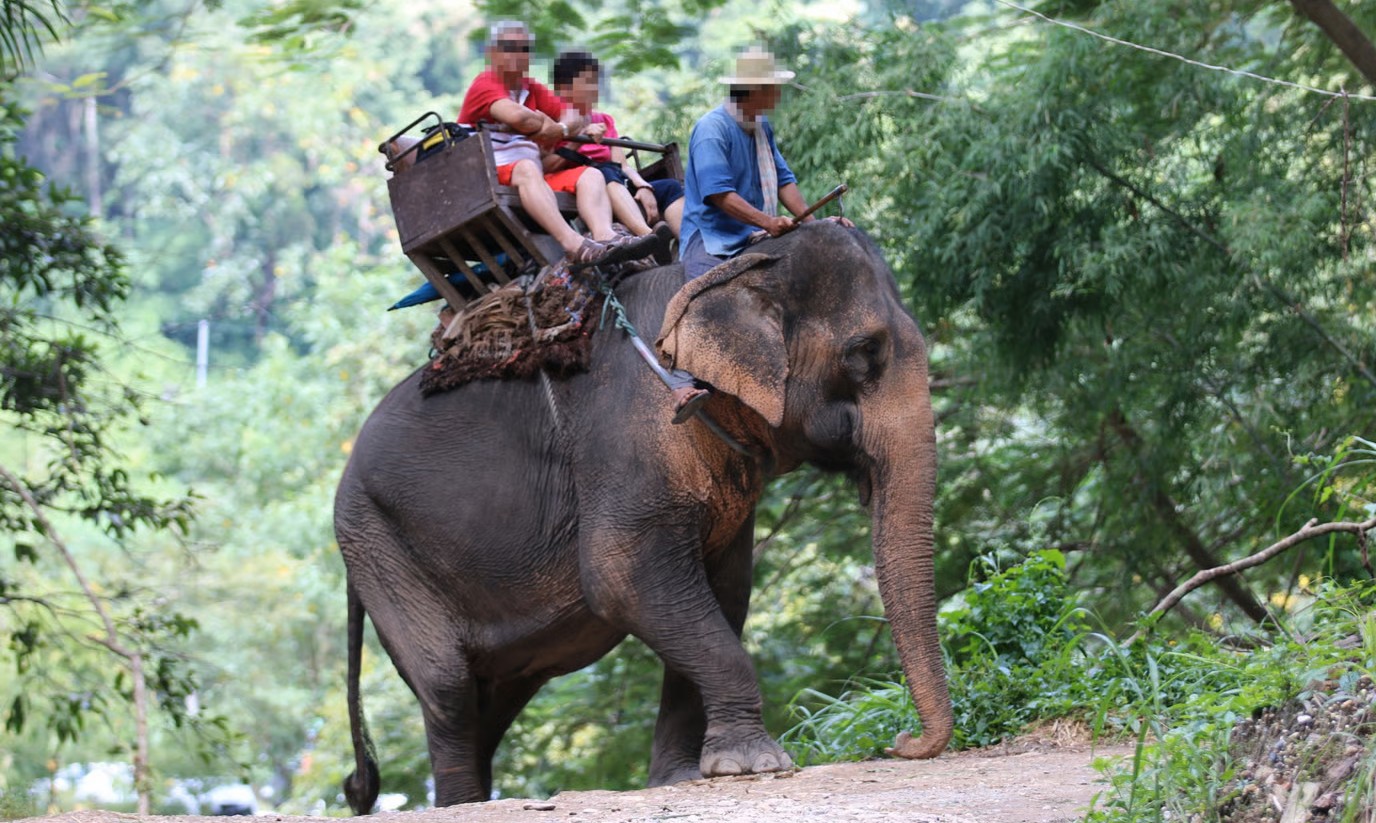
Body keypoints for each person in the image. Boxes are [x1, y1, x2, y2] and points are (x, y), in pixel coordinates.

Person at [458, 21, 643, 266]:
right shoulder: (485, 83)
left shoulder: (531, 87)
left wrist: (559, 129)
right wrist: (544, 122)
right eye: (509, 47)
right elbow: (518, 117)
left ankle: (605, 238)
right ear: (493, 53)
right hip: (488, 174)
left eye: (524, 49)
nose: (518, 54)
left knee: (591, 174)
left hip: (533, 175)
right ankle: (573, 244)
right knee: (526, 168)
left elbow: (575, 116)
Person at [679, 46, 851, 281]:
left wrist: (814, 226)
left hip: (753, 232)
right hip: (712, 239)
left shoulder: (761, 126)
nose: (778, 94)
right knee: (711, 297)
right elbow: (720, 194)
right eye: (774, 88)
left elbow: (783, 181)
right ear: (755, 90)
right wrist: (768, 222)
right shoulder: (712, 130)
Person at [549, 51, 685, 241]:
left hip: (616, 182)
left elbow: (623, 166)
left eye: (596, 81)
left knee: (670, 187)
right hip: (586, 185)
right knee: (604, 171)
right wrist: (579, 138)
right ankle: (648, 236)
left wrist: (643, 186)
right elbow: (548, 163)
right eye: (588, 82)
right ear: (564, 88)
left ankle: (689, 245)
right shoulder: (554, 122)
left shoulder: (604, 120)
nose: (595, 88)